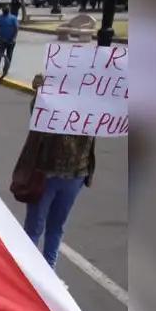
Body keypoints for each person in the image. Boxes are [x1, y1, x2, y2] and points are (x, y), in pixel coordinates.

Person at [13, 73, 96, 271]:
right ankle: (28, 275)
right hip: (46, 175)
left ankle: (49, 274)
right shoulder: (49, 102)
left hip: (76, 174)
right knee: (34, 227)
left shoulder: (94, 106)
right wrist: (40, 91)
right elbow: (37, 114)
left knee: (56, 227)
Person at [0, 4, 19, 73]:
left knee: (8, 56)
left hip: (11, 41)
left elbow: (16, 29)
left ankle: (5, 69)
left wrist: (14, 38)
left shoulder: (13, 18)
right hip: (2, 40)